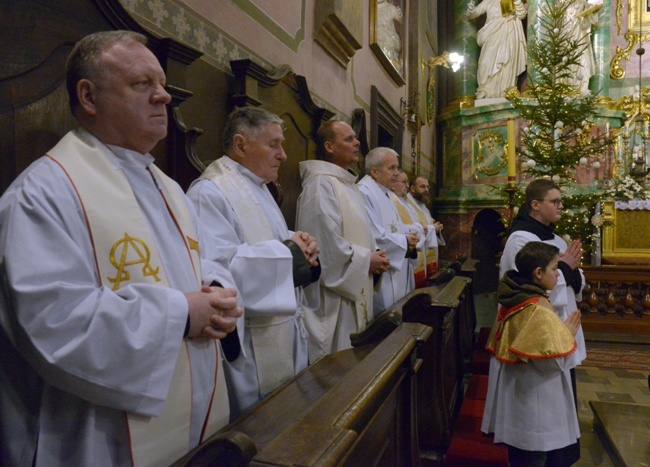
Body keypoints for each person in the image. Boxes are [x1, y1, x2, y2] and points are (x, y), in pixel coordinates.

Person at [0, 31, 243, 466]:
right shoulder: (43, 192)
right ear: (89, 96)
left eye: (163, 84)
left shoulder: (168, 188)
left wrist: (214, 286)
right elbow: (53, 323)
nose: (163, 96)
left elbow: (193, 263)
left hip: (194, 423)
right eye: (142, 84)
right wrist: (182, 314)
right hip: (96, 437)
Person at [187, 106, 320, 420]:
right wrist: (291, 253)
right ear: (240, 145)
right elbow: (218, 271)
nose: (283, 155)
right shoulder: (210, 191)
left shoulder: (259, 188)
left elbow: (266, 240)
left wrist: (305, 247)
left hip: (285, 332)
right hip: (250, 347)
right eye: (273, 144)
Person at [296, 121, 390, 359]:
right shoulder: (321, 185)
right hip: (334, 302)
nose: (357, 142)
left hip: (353, 291)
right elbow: (323, 247)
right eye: (348, 139)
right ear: (329, 146)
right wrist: (366, 261)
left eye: (355, 137)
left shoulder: (348, 185)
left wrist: (374, 254)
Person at [482, 241, 582, 466]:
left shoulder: (516, 298)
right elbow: (548, 364)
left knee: (520, 457)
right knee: (532, 458)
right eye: (555, 268)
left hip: (520, 399)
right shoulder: (537, 309)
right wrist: (566, 334)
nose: (558, 275)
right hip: (536, 408)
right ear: (538, 273)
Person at [500, 179, 586, 412]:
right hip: (539, 327)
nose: (561, 206)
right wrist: (567, 268)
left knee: (564, 396)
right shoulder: (520, 239)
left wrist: (571, 270)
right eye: (555, 201)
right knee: (543, 402)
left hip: (563, 320)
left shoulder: (556, 239)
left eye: (561, 201)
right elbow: (529, 285)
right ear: (535, 204)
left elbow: (574, 277)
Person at [358, 147, 420, 317]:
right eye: (391, 168)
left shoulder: (384, 192)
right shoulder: (365, 192)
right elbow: (374, 236)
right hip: (382, 274)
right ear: (374, 171)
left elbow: (393, 227)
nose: (396, 173)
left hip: (396, 271)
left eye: (397, 168)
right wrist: (405, 242)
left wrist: (408, 235)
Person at [467, 0, 528, 99]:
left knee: (507, 61)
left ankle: (505, 90)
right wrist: (471, 10)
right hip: (491, 32)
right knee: (485, 61)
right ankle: (485, 89)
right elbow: (474, 13)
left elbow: (521, 14)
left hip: (508, 31)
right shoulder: (488, 1)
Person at [390, 170, 425, 292]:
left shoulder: (403, 202)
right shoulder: (392, 201)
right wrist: (419, 228)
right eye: (404, 182)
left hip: (408, 250)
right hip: (400, 253)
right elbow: (396, 228)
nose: (407, 186)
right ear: (392, 185)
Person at [407, 175, 446, 287]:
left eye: (427, 187)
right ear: (413, 188)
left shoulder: (423, 206)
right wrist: (433, 228)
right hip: (416, 257)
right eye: (422, 187)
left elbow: (426, 227)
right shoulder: (408, 205)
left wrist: (435, 228)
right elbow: (415, 229)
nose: (427, 190)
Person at [564, 0, 600, 94]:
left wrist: (592, 11)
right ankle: (568, 88)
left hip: (580, 32)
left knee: (584, 60)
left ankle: (582, 88)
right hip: (565, 32)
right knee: (566, 61)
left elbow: (587, 21)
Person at [376, 0, 404, 70]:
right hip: (376, 40)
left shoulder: (391, 8)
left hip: (389, 40)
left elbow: (403, 20)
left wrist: (400, 14)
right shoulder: (372, 9)